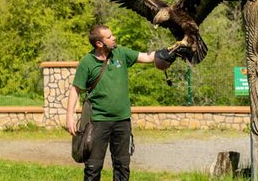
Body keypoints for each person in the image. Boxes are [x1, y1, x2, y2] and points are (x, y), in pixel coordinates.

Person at [66, 24, 176, 181]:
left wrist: (170, 51)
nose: (114, 38)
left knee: (122, 166)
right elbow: (75, 90)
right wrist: (69, 117)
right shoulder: (87, 62)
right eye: (109, 37)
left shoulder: (121, 53)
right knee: (93, 167)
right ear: (99, 43)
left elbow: (147, 57)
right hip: (98, 122)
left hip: (122, 121)